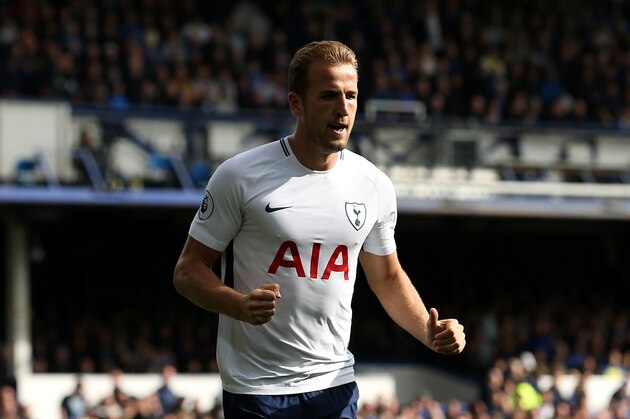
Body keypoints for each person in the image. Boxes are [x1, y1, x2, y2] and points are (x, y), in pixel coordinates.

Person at [173, 40, 466, 419]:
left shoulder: (372, 184)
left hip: (334, 385)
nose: (343, 109)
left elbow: (388, 278)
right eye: (329, 96)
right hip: (257, 389)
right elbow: (188, 271)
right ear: (297, 104)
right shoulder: (239, 176)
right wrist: (238, 305)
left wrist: (430, 330)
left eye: (351, 95)